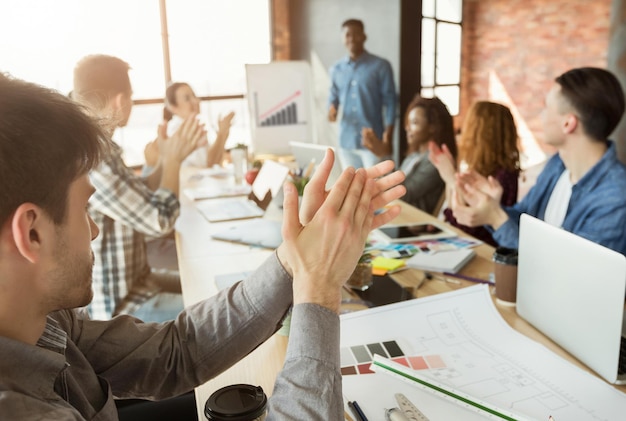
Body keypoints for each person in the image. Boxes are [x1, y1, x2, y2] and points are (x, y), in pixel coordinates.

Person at [0, 73, 408, 419]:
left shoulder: (47, 322)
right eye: (85, 209)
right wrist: (317, 288)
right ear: (32, 233)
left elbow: (176, 351)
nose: (94, 230)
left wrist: (294, 261)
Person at [72, 54, 207, 322]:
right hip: (120, 307)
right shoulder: (95, 157)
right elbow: (160, 220)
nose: (131, 104)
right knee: (214, 312)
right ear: (121, 101)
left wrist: (165, 160)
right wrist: (172, 161)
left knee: (210, 285)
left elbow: (140, 192)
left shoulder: (97, 148)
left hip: (139, 282)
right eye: (131, 98)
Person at [450, 67, 626, 255]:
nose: (541, 115)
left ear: (568, 123)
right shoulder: (558, 164)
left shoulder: (616, 196)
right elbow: (526, 219)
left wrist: (497, 219)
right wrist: (493, 207)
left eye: (547, 107)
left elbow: (567, 269)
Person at [429, 101, 520, 246]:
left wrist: (452, 179)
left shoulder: (501, 179)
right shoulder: (481, 169)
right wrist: (450, 177)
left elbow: (466, 227)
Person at [363, 95, 457, 215]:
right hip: (399, 212)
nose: (407, 128)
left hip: (413, 220)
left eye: (414, 122)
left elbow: (402, 194)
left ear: (432, 127)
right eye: (408, 122)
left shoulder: (434, 161)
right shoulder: (414, 156)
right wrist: (381, 155)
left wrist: (385, 155)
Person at [328, 18, 397, 169]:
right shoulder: (336, 69)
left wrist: (388, 137)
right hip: (346, 142)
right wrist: (331, 109)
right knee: (352, 187)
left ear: (364, 36)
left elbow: (391, 102)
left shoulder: (381, 66)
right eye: (347, 35)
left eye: (356, 34)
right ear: (342, 38)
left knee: (375, 186)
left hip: (372, 141)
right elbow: (333, 98)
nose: (352, 38)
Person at [143, 82, 235, 174]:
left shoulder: (195, 127)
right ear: (173, 107)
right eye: (187, 99)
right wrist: (221, 134)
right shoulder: (175, 131)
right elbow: (208, 163)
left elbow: (214, 162)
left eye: (194, 96)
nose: (195, 101)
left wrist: (223, 135)